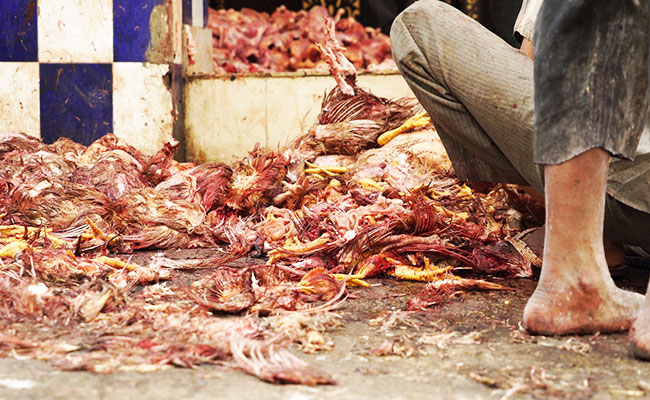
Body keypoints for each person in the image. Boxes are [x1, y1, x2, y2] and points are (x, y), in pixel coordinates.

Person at [390, 0, 650, 355]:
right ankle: (578, 265)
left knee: (419, 26)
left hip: (629, 182)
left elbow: (534, 63)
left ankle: (576, 263)